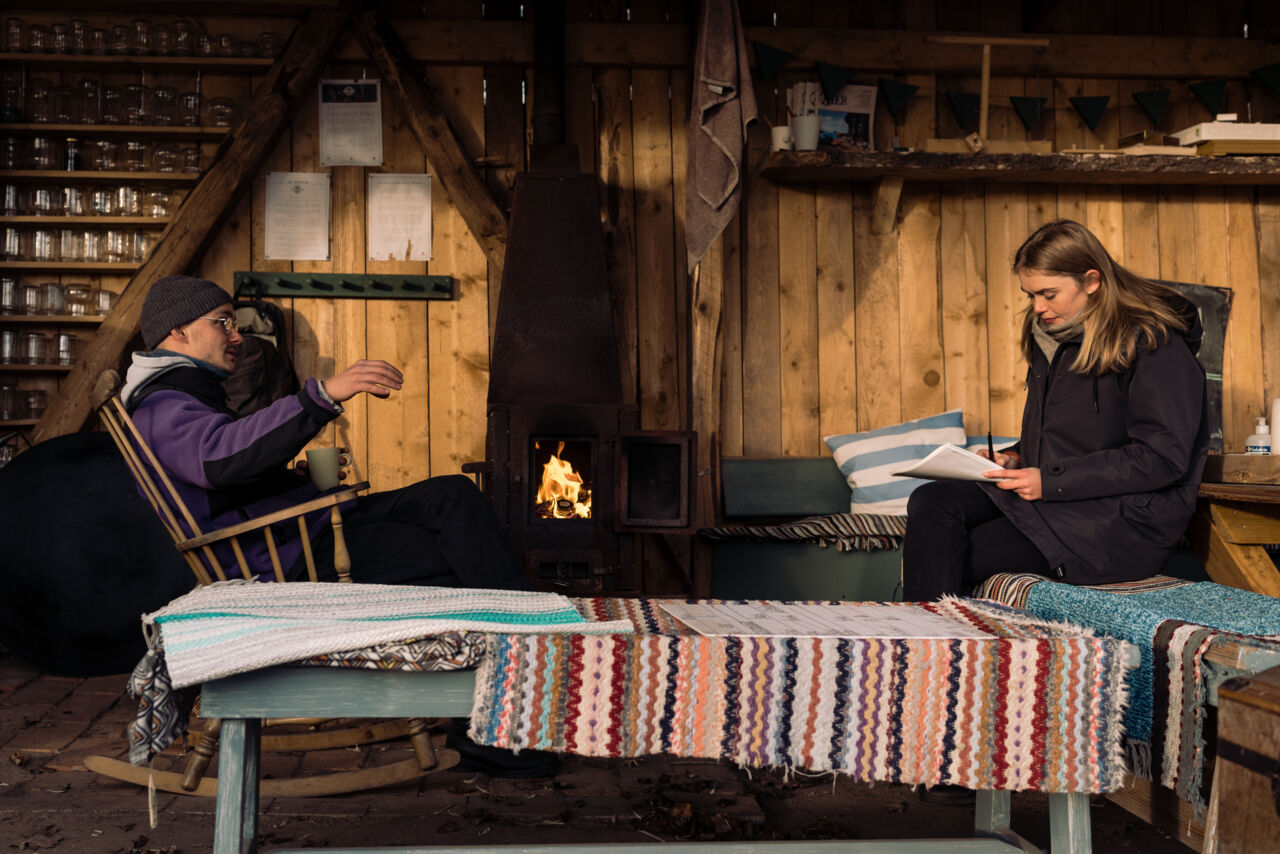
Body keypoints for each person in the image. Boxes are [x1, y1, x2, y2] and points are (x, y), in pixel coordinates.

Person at [120, 275, 530, 592]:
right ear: (178, 332)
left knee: (451, 495)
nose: (237, 334)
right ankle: (528, 640)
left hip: (300, 527)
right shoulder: (161, 407)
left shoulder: (186, 395)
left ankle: (525, 621)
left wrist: (286, 481)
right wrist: (322, 395)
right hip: (282, 554)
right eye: (222, 322)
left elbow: (220, 476)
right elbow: (219, 458)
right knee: (462, 552)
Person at [903, 219, 1210, 602]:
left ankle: (936, 651)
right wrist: (1016, 456)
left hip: (1120, 522)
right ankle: (925, 643)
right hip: (1062, 501)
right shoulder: (1054, 340)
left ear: (1092, 280)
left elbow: (1163, 458)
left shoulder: (1156, 344)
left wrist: (1051, 479)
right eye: (1030, 294)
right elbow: (1072, 435)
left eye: (1048, 294)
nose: (1037, 307)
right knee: (932, 501)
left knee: (943, 555)